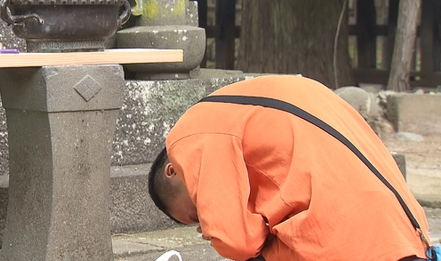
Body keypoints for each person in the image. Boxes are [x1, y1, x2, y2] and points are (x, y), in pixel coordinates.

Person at [148, 75, 432, 261]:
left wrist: (218, 229)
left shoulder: (188, 136)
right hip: (407, 237)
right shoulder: (256, 101)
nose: (205, 220)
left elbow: (237, 243)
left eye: (197, 213)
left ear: (172, 170)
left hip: (343, 244)